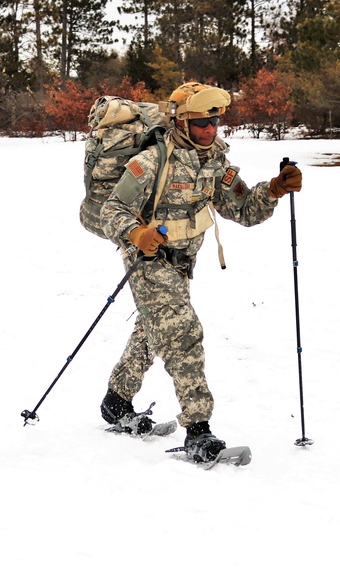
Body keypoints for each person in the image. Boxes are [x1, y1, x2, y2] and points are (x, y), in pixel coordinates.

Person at [98, 82, 302, 462]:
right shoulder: (153, 161)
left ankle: (116, 400)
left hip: (182, 263)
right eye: (201, 124)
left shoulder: (214, 161)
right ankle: (199, 431)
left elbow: (243, 209)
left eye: (215, 122)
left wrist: (273, 190)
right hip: (147, 260)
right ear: (182, 122)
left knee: (153, 330)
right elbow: (112, 210)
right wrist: (136, 232)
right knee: (183, 333)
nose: (210, 130)